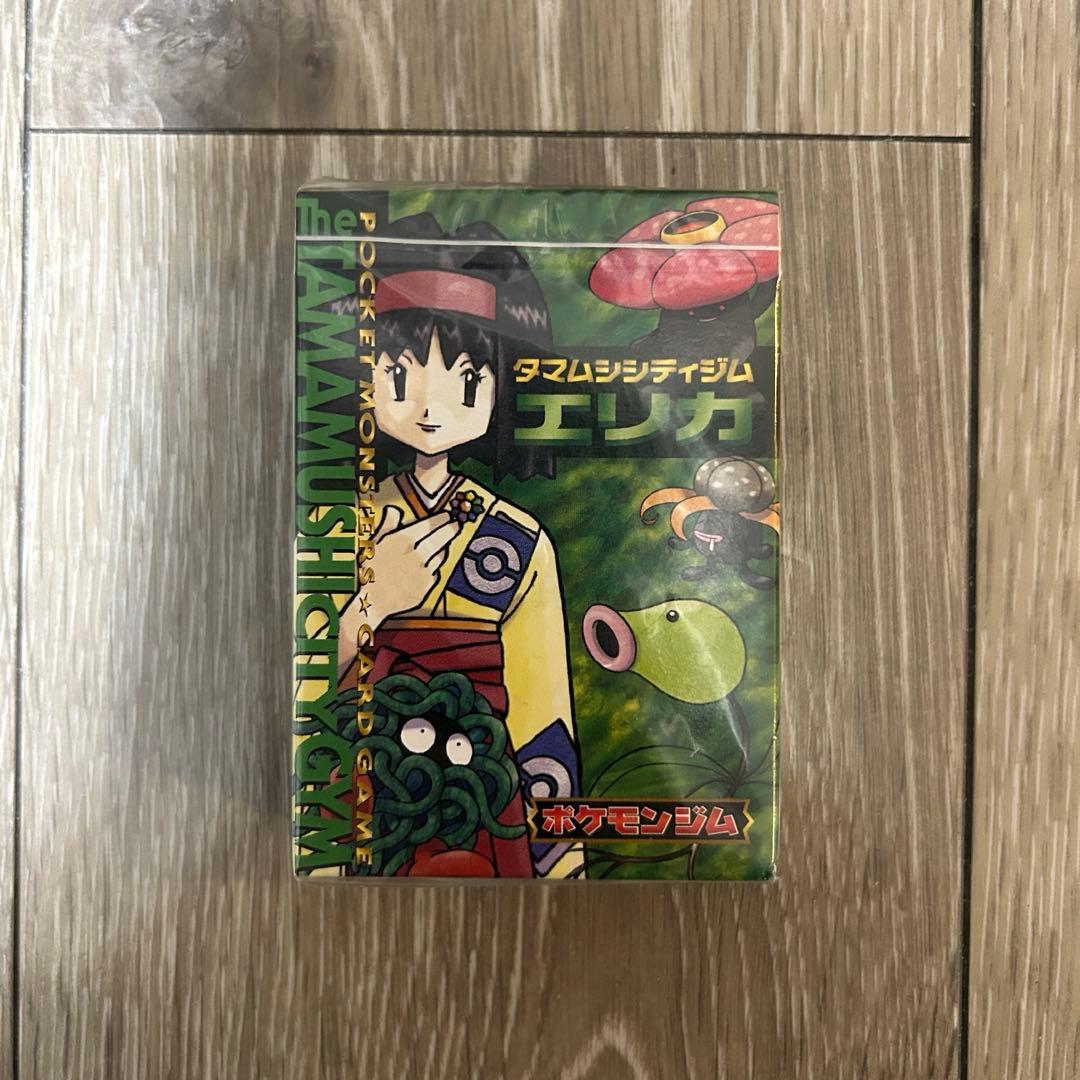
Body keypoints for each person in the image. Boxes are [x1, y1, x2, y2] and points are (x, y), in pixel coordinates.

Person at [337, 214, 582, 879]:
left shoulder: (520, 542)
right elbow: (305, 686)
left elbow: (543, 719)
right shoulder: (336, 526)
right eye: (399, 375)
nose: (430, 407)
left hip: (481, 797)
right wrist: (375, 604)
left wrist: (560, 864)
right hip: (362, 787)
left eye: (467, 381)